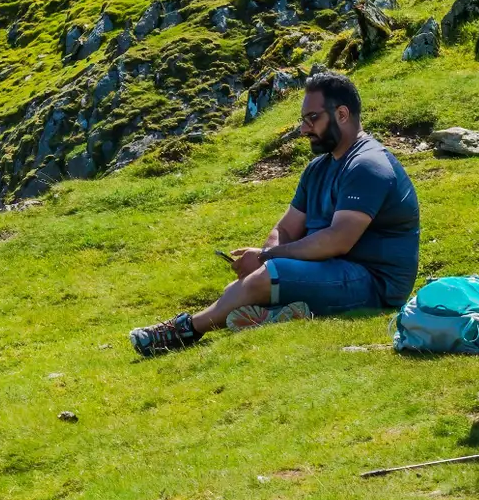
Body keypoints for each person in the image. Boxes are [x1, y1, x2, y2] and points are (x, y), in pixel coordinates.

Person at [130, 71, 421, 354]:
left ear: (342, 115)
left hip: (374, 285)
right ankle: (284, 312)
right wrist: (266, 253)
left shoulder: (368, 165)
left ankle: (186, 331)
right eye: (303, 120)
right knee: (254, 280)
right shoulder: (318, 169)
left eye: (313, 118)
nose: (304, 129)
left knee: (269, 277)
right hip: (334, 270)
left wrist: (267, 259)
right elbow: (285, 228)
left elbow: (337, 240)